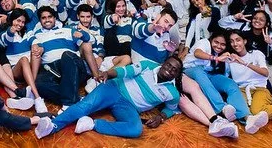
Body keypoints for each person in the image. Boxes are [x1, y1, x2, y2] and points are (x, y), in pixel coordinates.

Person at [35, 57, 186, 139]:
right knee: (85, 106)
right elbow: (126, 71)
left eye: (175, 70)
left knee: (135, 130)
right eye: (168, 65)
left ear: (177, 74)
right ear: (163, 63)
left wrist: (161, 117)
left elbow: (171, 109)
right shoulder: (148, 65)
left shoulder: (172, 93)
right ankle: (52, 126)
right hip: (114, 88)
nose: (169, 70)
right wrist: (108, 73)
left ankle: (92, 124)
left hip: (128, 107)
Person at [225, 28, 272, 130]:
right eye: (231, 41)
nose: (235, 44)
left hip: (259, 88)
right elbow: (225, 77)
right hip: (241, 89)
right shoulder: (230, 59)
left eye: (238, 40)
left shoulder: (256, 54)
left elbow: (265, 73)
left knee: (256, 111)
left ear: (244, 41)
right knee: (243, 111)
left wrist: (244, 63)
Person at [30, 6, 99, 113]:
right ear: (40, 21)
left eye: (50, 17)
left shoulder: (67, 29)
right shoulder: (37, 35)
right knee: (39, 84)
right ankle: (74, 98)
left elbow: (92, 40)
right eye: (44, 18)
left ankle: (68, 103)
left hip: (71, 65)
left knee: (66, 55)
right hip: (51, 69)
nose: (47, 20)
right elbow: (35, 47)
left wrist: (83, 34)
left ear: (55, 18)